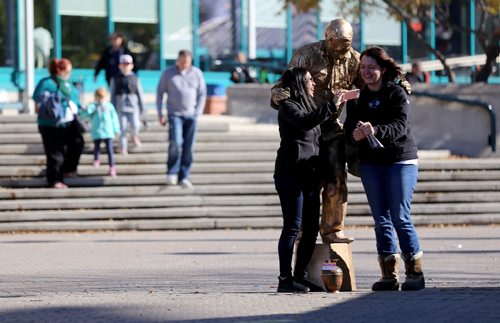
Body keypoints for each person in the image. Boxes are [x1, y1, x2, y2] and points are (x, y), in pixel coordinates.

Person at [271, 18, 363, 243]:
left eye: (346, 46)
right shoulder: (307, 54)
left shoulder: (355, 61)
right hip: (308, 127)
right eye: (336, 46)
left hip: (332, 126)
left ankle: (332, 230)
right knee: (307, 181)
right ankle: (304, 229)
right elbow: (285, 83)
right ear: (327, 39)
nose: (340, 51)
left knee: (336, 178)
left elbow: (372, 80)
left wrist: (397, 81)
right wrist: (278, 95)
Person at [344, 46, 425, 291]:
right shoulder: (359, 98)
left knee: (400, 216)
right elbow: (349, 128)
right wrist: (355, 134)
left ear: (383, 69)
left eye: (372, 67)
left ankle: (414, 272)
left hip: (400, 161)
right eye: (363, 67)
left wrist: (376, 130)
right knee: (381, 219)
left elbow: (401, 126)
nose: (367, 72)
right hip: (371, 163)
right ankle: (388, 275)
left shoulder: (396, 93)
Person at [275, 67, 339, 293]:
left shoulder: (310, 106)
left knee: (311, 228)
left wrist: (329, 178)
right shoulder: (288, 107)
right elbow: (305, 122)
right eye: (310, 80)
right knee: (292, 227)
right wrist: (332, 105)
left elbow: (320, 146)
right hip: (290, 174)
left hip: (310, 176)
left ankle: (300, 275)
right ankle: (285, 279)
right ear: (300, 84)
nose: (314, 84)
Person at [156, 50, 207, 189]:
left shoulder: (196, 73)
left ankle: (184, 175)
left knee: (189, 147)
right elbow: (160, 93)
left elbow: (202, 94)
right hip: (174, 114)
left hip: (191, 115)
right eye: (182, 60)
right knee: (176, 142)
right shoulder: (168, 73)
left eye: (187, 61)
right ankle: (172, 172)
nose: (185, 63)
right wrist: (160, 113)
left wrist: (198, 113)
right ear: (178, 60)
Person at [32, 58, 84, 188]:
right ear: (59, 70)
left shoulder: (68, 84)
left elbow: (76, 101)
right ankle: (54, 179)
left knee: (77, 143)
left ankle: (68, 170)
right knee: (55, 151)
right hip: (50, 123)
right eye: (68, 70)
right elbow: (37, 99)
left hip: (68, 122)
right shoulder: (47, 83)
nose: (70, 73)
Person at [81, 87, 121, 177]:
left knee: (110, 149)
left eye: (102, 97)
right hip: (97, 131)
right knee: (97, 147)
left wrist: (116, 129)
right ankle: (96, 159)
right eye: (99, 97)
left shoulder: (109, 106)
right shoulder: (93, 106)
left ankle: (112, 166)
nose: (100, 100)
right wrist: (86, 109)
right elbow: (86, 116)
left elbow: (114, 118)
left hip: (108, 131)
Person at [110, 54, 145, 155]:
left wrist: (142, 109)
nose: (125, 66)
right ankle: (123, 146)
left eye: (127, 64)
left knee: (135, 125)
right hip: (120, 107)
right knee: (122, 128)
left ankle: (134, 136)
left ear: (132, 65)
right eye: (123, 64)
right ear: (119, 65)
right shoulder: (115, 78)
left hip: (133, 106)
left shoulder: (135, 78)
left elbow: (140, 94)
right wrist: (113, 109)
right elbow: (112, 94)